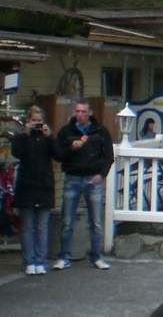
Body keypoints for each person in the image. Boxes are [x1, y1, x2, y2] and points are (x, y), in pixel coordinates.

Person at [52, 100, 114, 271]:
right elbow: (58, 155)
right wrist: (71, 147)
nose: (80, 114)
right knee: (67, 220)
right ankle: (63, 257)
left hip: (92, 179)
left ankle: (97, 257)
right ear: (74, 112)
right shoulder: (66, 132)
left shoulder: (100, 131)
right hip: (72, 178)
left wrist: (101, 175)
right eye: (78, 111)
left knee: (96, 222)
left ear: (90, 113)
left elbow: (109, 156)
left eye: (84, 111)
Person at [12, 106, 57, 275]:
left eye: (39, 121)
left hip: (44, 186)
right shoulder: (22, 137)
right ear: (28, 121)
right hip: (27, 186)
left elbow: (58, 154)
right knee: (28, 227)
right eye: (33, 121)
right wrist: (25, 133)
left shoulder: (46, 137)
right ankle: (29, 261)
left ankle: (41, 260)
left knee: (42, 227)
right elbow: (17, 153)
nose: (37, 124)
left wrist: (50, 136)